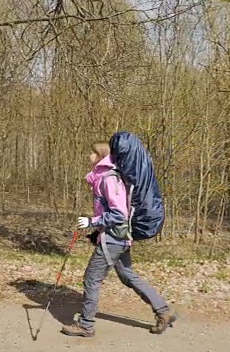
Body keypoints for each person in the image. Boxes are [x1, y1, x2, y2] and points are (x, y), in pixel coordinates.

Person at [60, 140, 176, 338]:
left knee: (91, 279)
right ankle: (163, 311)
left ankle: (86, 325)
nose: (89, 156)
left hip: (113, 240)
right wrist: (97, 228)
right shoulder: (103, 178)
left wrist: (91, 221)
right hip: (118, 238)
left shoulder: (108, 179)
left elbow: (119, 214)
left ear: (101, 155)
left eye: (92, 152)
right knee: (127, 275)